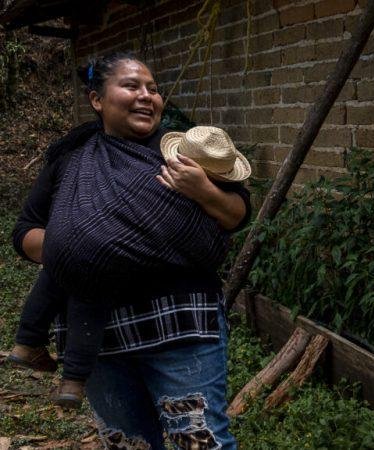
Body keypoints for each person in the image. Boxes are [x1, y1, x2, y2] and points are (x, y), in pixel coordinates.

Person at [9, 52, 250, 449]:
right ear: (96, 99)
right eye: (131, 86)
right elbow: (24, 232)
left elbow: (237, 214)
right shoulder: (71, 157)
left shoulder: (185, 150)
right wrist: (84, 245)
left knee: (202, 442)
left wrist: (203, 191)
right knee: (128, 444)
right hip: (98, 337)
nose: (147, 96)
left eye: (153, 89)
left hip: (181, 324)